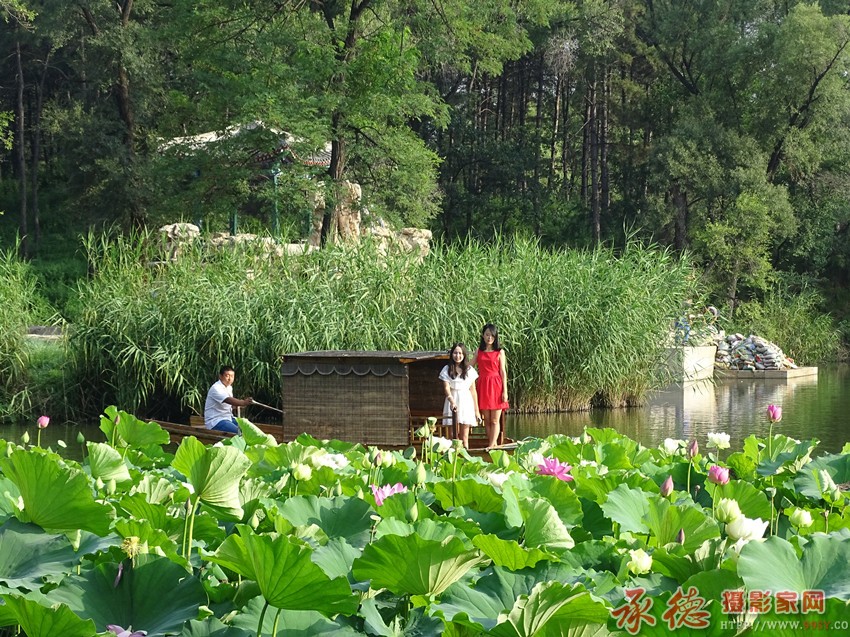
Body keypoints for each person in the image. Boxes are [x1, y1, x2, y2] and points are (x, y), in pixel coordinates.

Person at [439, 343, 481, 449]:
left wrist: (476, 411)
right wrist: (451, 400)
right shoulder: (446, 369)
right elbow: (446, 388)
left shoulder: (469, 370)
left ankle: (466, 456)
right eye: (455, 353)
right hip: (452, 399)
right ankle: (452, 457)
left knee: (464, 436)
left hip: (466, 401)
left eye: (460, 353)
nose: (458, 355)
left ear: (464, 355)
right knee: (452, 436)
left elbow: (473, 390)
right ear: (452, 354)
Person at [473, 323, 509, 448]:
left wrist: (505, 391)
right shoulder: (479, 351)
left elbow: (503, 371)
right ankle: (492, 444)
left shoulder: (500, 352)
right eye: (487, 335)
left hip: (496, 385)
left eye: (492, 335)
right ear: (483, 336)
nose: (489, 338)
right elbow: (470, 366)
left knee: (495, 420)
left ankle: (492, 445)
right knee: (487, 420)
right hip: (483, 385)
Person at [204, 365, 254, 433]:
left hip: (228, 418)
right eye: (227, 376)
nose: (230, 379)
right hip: (216, 421)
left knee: (249, 430)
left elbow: (229, 405)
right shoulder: (216, 388)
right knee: (240, 433)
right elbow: (228, 400)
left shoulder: (229, 387)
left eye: (232, 376)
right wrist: (243, 402)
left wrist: (237, 406)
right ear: (220, 376)